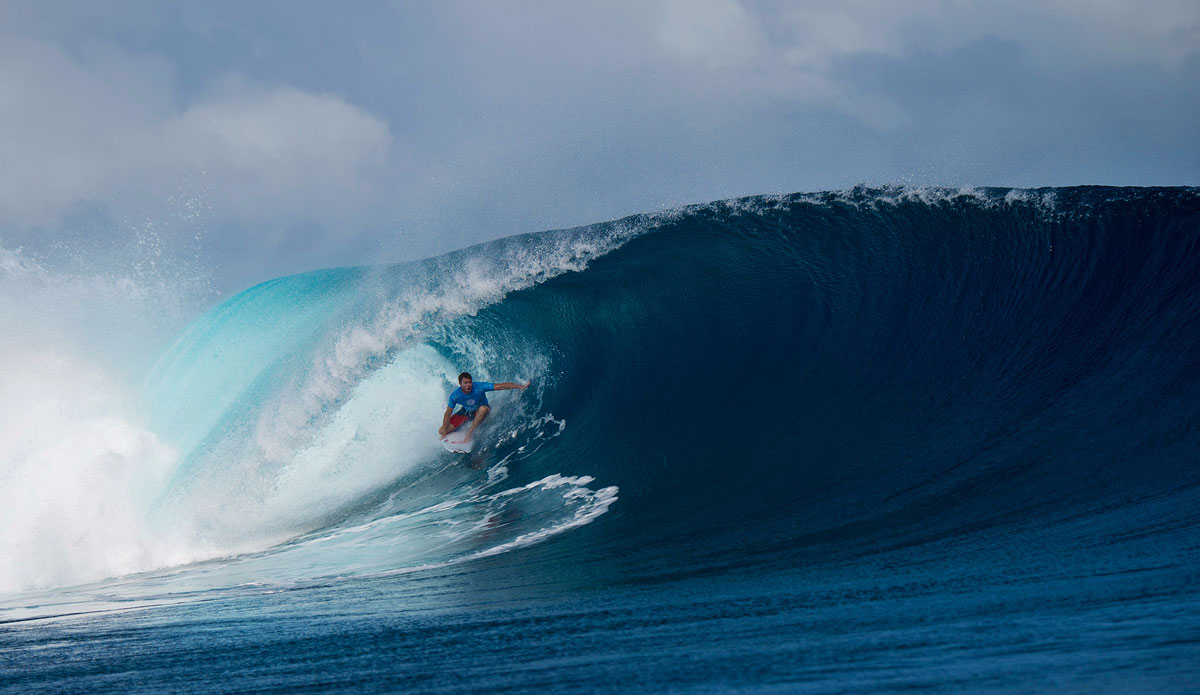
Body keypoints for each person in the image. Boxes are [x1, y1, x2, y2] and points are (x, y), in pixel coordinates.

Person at [439, 372, 529, 443]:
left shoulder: (479, 387)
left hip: (481, 410)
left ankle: (469, 433)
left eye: (470, 382)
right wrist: (444, 434)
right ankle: (460, 427)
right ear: (460, 384)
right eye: (465, 383)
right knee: (442, 430)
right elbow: (447, 414)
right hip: (466, 412)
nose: (469, 385)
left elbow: (501, 386)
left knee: (483, 409)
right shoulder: (455, 396)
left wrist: (520, 386)